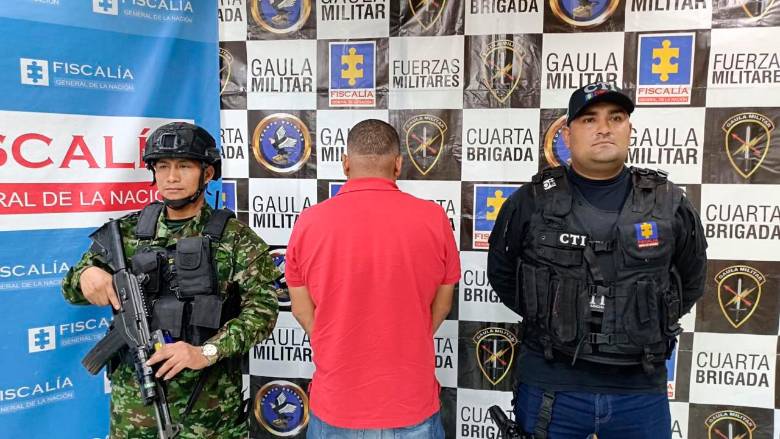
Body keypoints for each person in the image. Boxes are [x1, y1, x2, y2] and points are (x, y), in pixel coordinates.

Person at [487, 82, 708, 439]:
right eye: (589, 119)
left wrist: (635, 317)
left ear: (629, 130)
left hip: (639, 389)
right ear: (568, 134)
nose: (604, 128)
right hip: (551, 385)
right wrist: (556, 312)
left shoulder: (669, 203)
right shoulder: (530, 202)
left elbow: (691, 278)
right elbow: (502, 274)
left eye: (616, 117)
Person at [61, 122, 280, 439]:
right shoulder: (125, 233)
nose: (172, 178)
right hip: (134, 411)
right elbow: (71, 288)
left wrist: (204, 352)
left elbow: (262, 313)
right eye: (162, 167)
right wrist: (86, 275)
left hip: (210, 415)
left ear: (207, 173)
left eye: (184, 166)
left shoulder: (236, 240)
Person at [285, 119, 460, 438]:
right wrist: (408, 336)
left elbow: (300, 309)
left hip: (337, 404)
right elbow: (443, 306)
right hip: (411, 403)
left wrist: (334, 337)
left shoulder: (309, 222)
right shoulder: (434, 218)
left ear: (346, 164)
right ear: (398, 165)